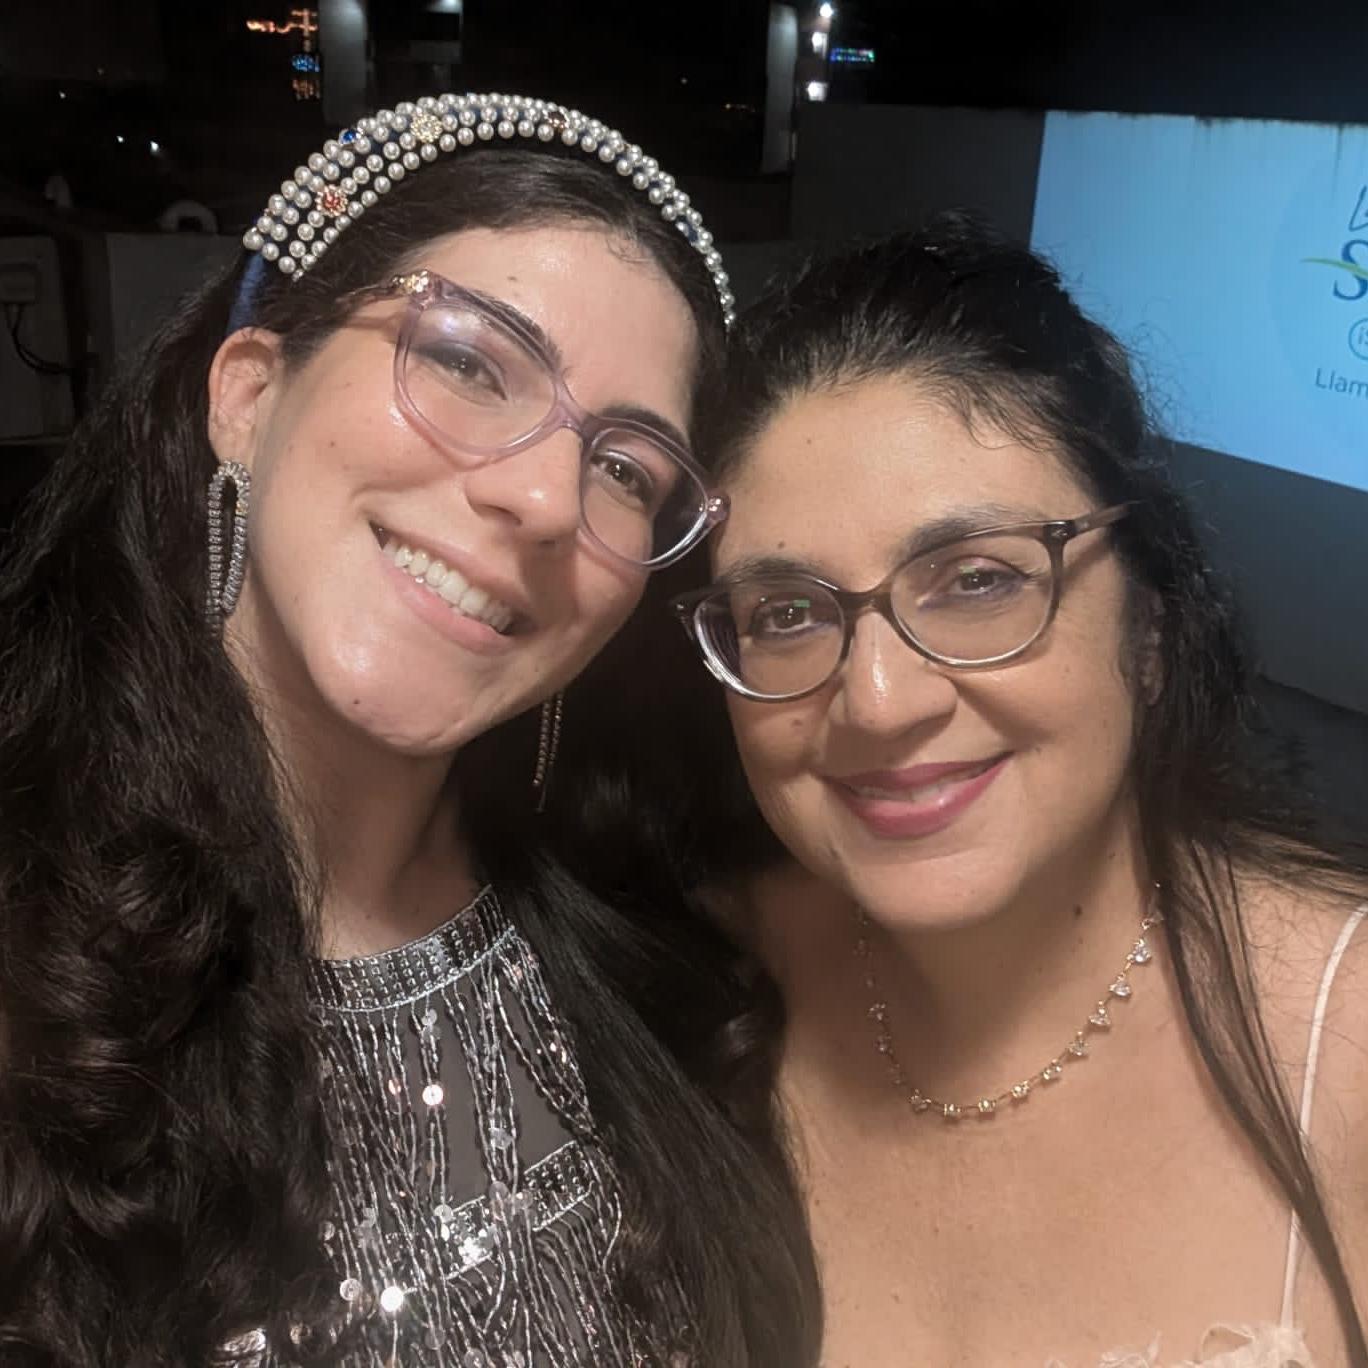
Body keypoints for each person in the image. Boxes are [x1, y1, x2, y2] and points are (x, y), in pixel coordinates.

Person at [0, 93, 818, 1368]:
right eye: (470, 364)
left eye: (625, 469)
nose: (545, 498)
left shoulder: (660, 944)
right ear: (247, 393)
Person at [561, 216, 1368, 1367]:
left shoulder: (1345, 1046)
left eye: (979, 581)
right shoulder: (696, 979)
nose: (878, 702)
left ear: (1148, 629)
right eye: (787, 613)